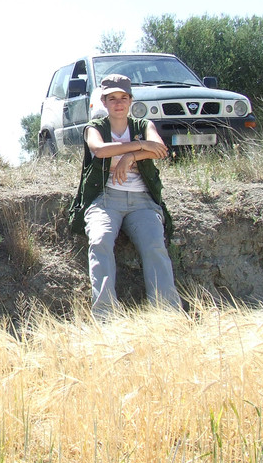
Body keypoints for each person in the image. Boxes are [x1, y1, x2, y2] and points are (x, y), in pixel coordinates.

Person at [69, 74, 182, 317]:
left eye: (123, 97)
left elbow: (159, 149)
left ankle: (168, 314)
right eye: (112, 99)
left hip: (142, 201)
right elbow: (99, 150)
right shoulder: (95, 127)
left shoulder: (143, 125)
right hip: (105, 199)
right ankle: (105, 314)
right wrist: (138, 147)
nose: (118, 103)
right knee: (100, 241)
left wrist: (129, 158)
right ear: (104, 101)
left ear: (131, 100)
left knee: (154, 245)